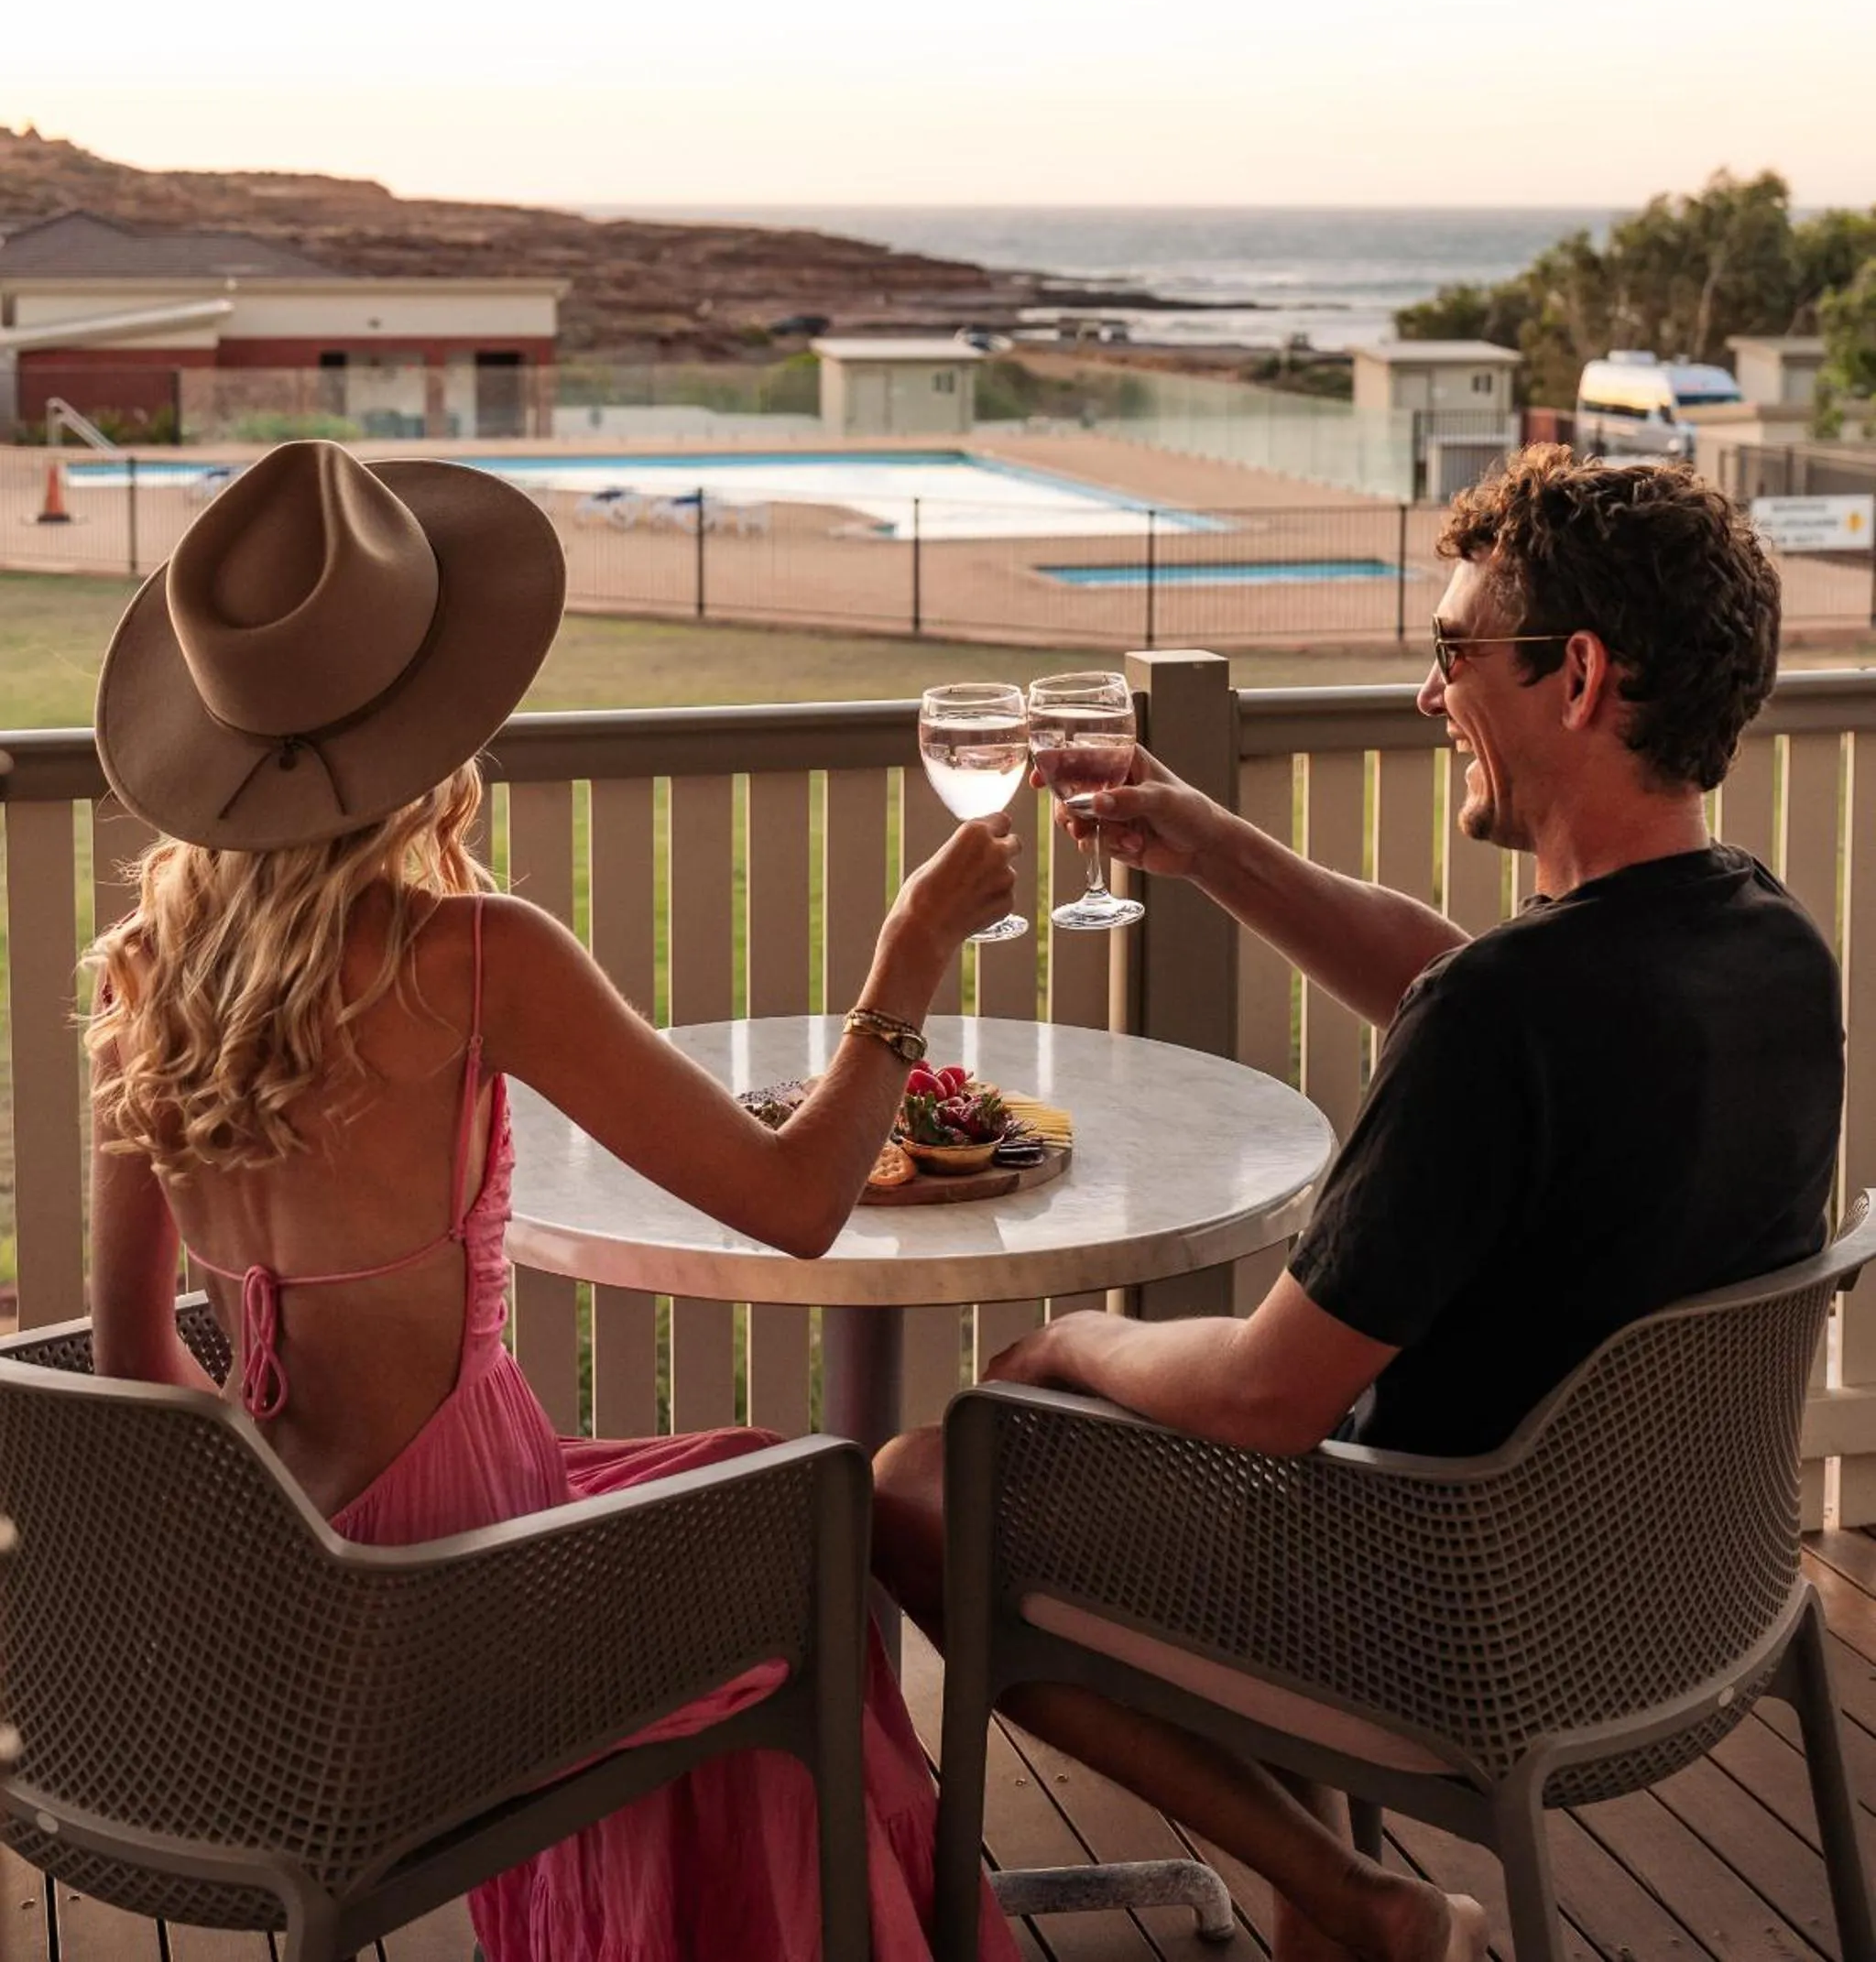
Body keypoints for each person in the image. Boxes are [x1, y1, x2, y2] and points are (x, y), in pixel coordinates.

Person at [875, 445, 1843, 1962]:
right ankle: (1336, 1898)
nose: (1427, 691)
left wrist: (1073, 1343)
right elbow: (1462, 991)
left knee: (924, 1486)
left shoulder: (1509, 1022)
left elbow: (1265, 1394)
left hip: (1444, 1610)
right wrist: (1210, 840)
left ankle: (1351, 1896)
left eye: (1455, 650)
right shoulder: (1770, 945)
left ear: (1576, 675)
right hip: (1677, 1598)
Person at [86, 439, 1025, 1962]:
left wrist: (296, 1556)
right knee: (812, 1527)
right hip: (466, 1607)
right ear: (431, 719)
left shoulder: (148, 975)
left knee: (760, 1486)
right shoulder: (470, 956)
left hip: (300, 1588)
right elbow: (796, 1202)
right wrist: (906, 959)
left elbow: (140, 1364)